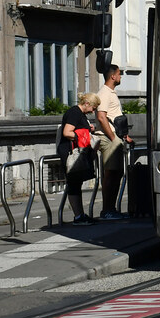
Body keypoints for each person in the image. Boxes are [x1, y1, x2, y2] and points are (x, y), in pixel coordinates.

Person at [95, 64, 133, 220]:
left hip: (115, 137)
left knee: (116, 174)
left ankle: (111, 209)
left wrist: (123, 136)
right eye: (119, 74)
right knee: (111, 174)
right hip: (109, 138)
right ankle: (107, 210)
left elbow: (113, 117)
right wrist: (112, 137)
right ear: (113, 76)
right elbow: (101, 116)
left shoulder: (111, 92)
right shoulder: (104, 93)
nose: (121, 77)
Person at [58, 93, 101, 225]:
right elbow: (67, 132)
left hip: (77, 151)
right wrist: (84, 136)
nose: (94, 111)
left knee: (76, 183)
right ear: (87, 103)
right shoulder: (74, 113)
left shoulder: (80, 114)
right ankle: (78, 216)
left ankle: (80, 215)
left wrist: (89, 129)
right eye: (93, 108)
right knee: (74, 183)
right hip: (71, 152)